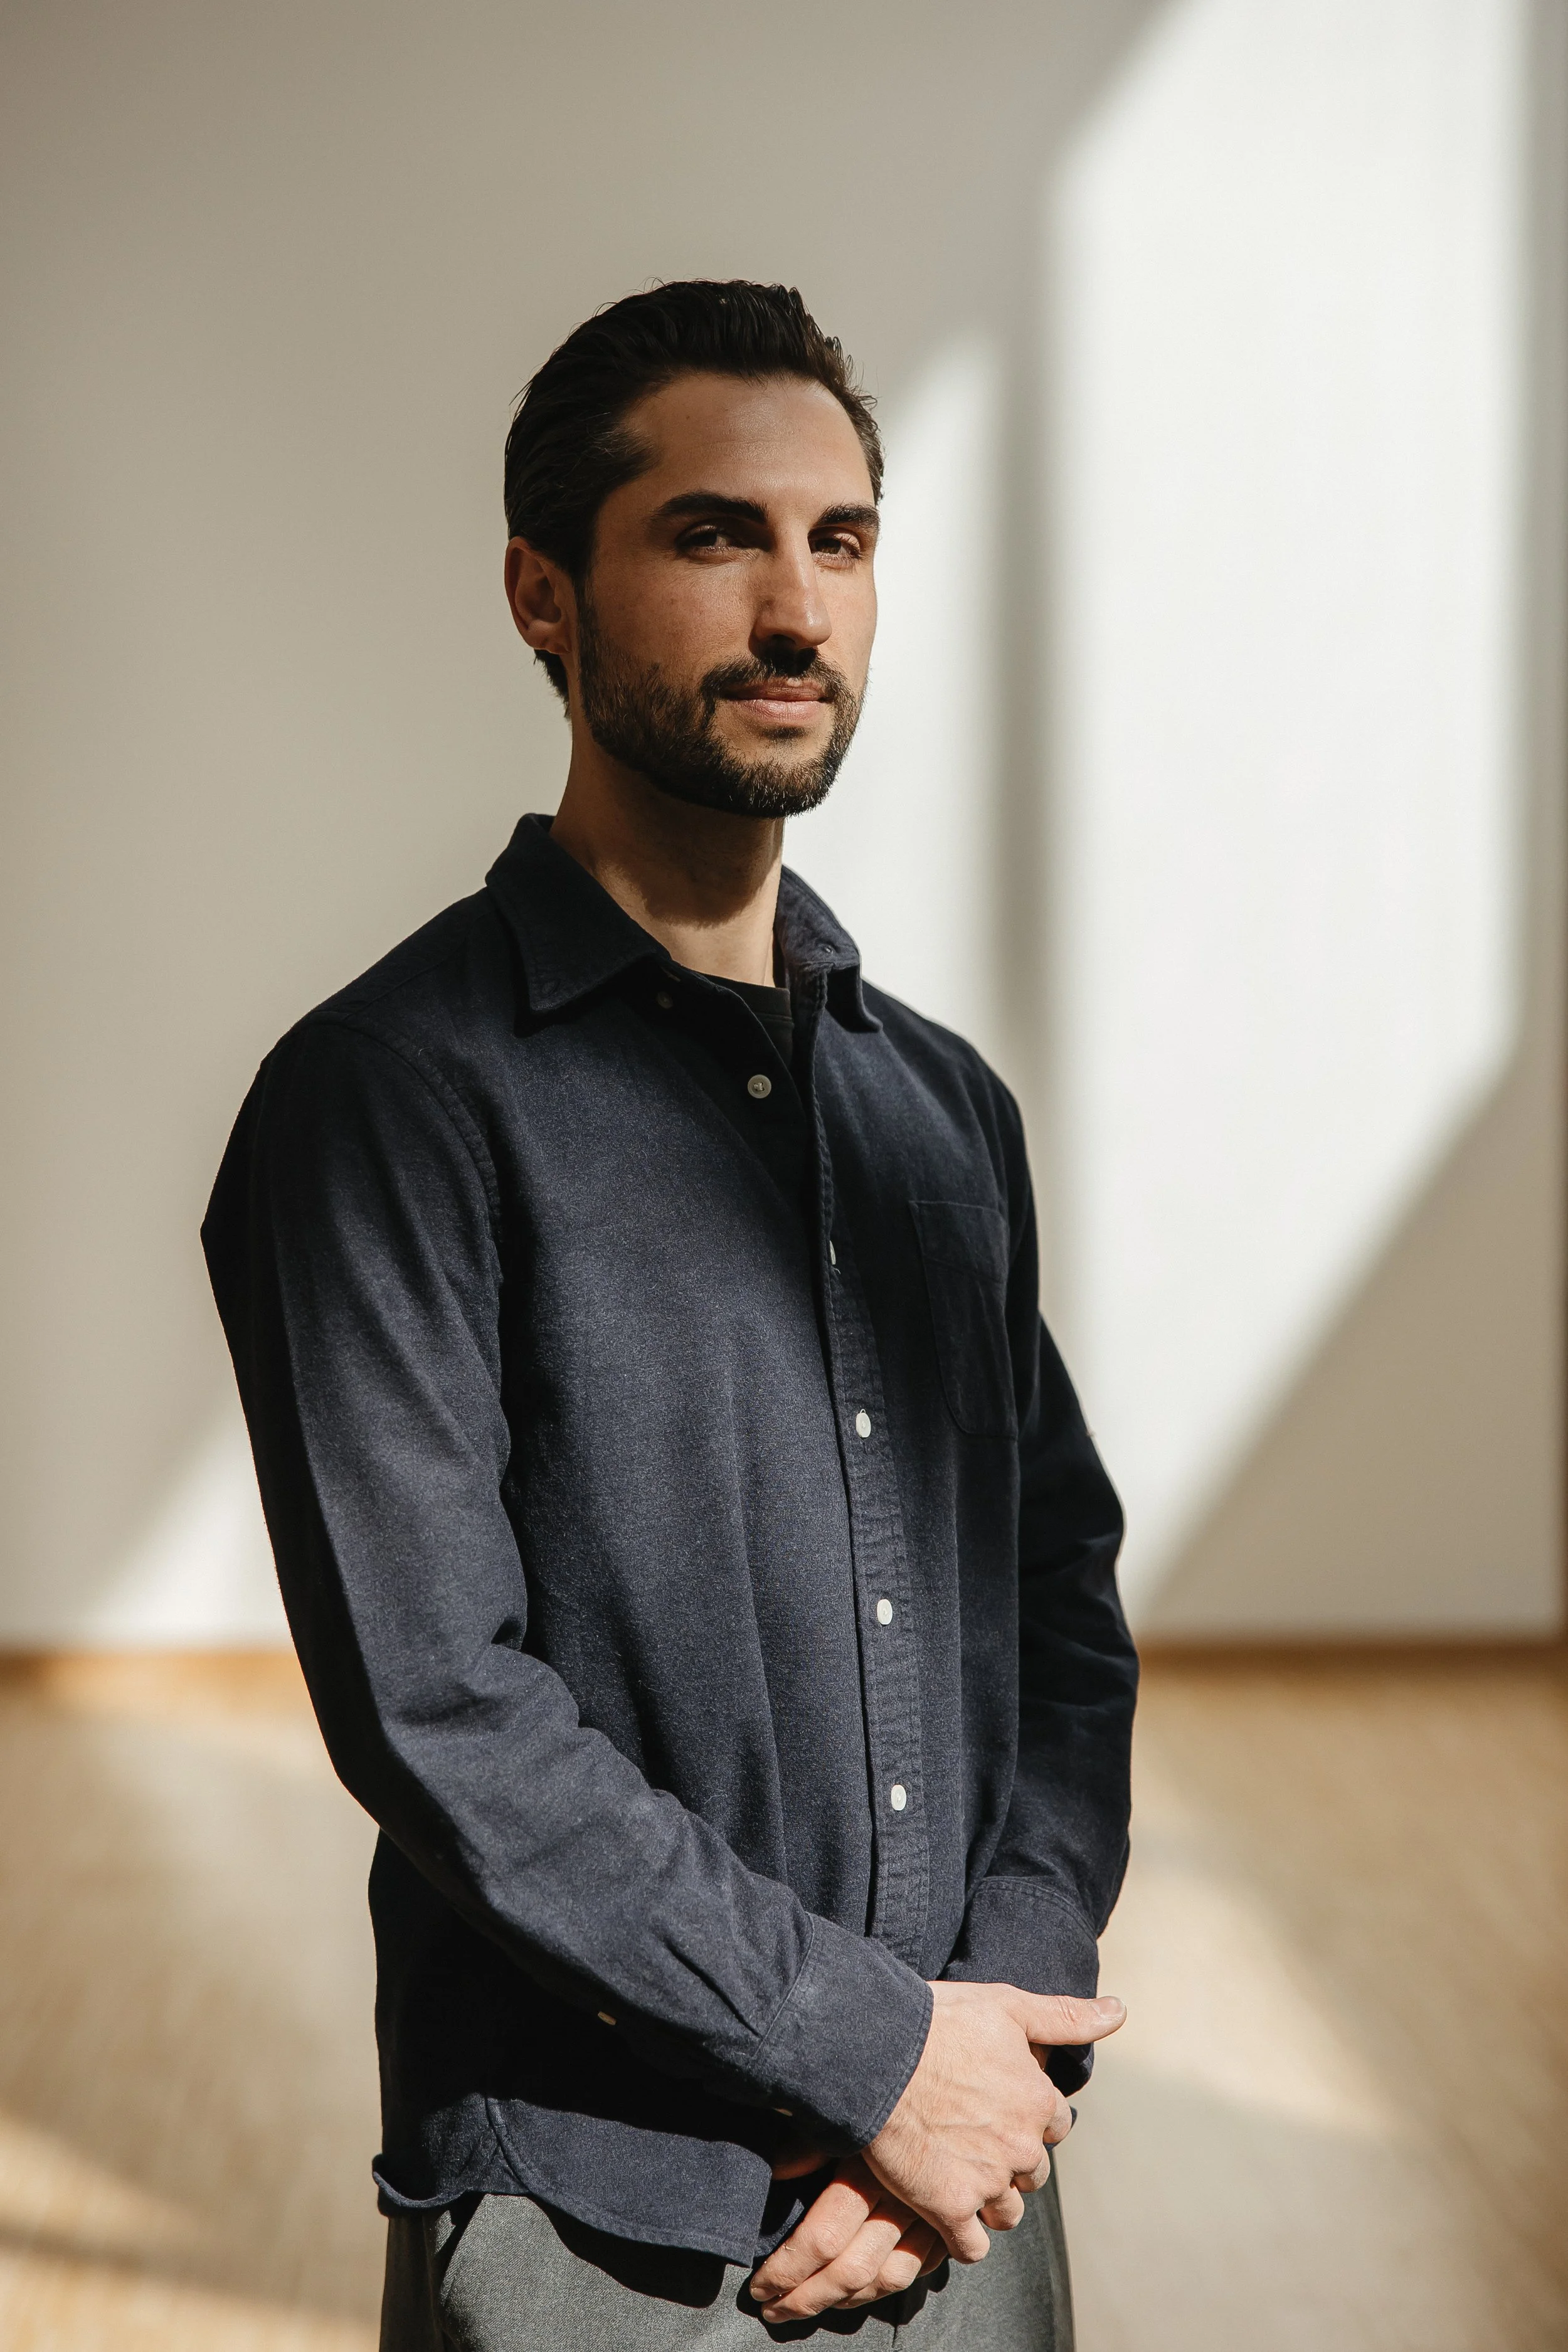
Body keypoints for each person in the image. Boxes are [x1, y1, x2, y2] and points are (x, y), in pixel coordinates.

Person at [203, 280, 1137, 2350]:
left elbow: (1058, 1605)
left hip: (964, 2185)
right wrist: (867, 2051)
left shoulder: (941, 1107)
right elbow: (438, 1704)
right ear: (542, 593)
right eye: (714, 536)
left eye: (840, 538)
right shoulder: (386, 1098)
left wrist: (994, 2023)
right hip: (600, 2222)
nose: (795, 610)